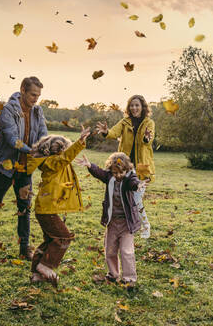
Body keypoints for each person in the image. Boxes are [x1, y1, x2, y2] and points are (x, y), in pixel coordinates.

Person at [0, 76, 48, 260]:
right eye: (32, 94)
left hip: (25, 169)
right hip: (5, 167)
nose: (35, 99)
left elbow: (43, 134)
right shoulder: (8, 110)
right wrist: (33, 150)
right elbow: (12, 139)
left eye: (38, 96)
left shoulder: (38, 112)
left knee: (25, 208)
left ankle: (24, 249)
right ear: (23, 90)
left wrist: (46, 146)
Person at [27, 126, 91, 286]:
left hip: (46, 209)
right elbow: (65, 158)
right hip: (47, 210)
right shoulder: (53, 162)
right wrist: (80, 142)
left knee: (50, 240)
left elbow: (65, 160)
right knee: (63, 238)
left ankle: (36, 273)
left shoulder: (54, 163)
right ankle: (45, 266)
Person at [75, 152, 147, 288]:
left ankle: (129, 279)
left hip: (126, 223)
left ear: (127, 170)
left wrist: (138, 186)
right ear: (111, 171)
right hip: (112, 222)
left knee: (127, 251)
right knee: (110, 250)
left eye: (121, 172)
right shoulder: (109, 177)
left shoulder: (129, 178)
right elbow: (100, 173)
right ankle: (113, 274)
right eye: (115, 173)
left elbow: (133, 182)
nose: (118, 175)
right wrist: (90, 165)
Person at [96, 95, 155, 238]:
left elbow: (148, 140)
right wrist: (106, 132)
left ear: (142, 107)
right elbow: (114, 132)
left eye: (137, 105)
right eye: (132, 105)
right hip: (125, 167)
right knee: (124, 198)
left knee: (136, 199)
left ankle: (145, 225)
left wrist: (146, 137)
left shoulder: (149, 122)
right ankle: (129, 225)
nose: (134, 108)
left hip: (142, 166)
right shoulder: (125, 122)